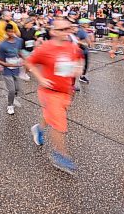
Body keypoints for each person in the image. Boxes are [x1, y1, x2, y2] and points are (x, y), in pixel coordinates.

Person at [26, 19, 84, 174]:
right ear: (53, 32)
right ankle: (60, 155)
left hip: (66, 91)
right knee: (59, 125)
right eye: (63, 29)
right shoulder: (45, 48)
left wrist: (78, 69)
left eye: (68, 29)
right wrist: (41, 79)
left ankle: (38, 129)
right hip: (49, 93)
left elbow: (79, 60)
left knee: (50, 116)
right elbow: (29, 63)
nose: (67, 32)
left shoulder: (72, 46)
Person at [0, 23, 24, 115]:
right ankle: (10, 105)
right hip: (7, 70)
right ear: (6, 32)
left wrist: (23, 58)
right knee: (11, 90)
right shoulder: (2, 45)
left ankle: (12, 95)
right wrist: (6, 64)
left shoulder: (19, 41)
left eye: (12, 31)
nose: (11, 33)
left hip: (16, 69)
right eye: (8, 31)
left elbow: (19, 52)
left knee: (17, 89)